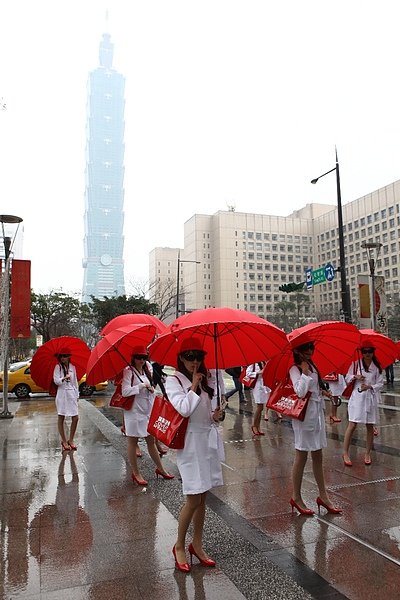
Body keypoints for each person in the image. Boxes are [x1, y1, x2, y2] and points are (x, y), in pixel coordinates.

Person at [165, 337, 224, 573]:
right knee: (192, 498)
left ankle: (197, 545)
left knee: (203, 498)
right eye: (189, 357)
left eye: (198, 356)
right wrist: (193, 387)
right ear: (180, 358)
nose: (195, 361)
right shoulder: (174, 380)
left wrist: (217, 414)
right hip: (189, 444)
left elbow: (208, 415)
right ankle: (179, 545)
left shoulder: (207, 378)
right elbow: (184, 409)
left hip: (206, 443)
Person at [289, 341, 342, 515]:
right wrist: (304, 373)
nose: (310, 351)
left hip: (316, 416)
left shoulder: (313, 366)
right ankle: (296, 497)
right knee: (302, 455)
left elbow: (314, 389)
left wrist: (323, 392)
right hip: (304, 418)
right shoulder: (295, 369)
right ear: (298, 351)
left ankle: (323, 496)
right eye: (306, 348)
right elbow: (300, 392)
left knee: (318, 455)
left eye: (312, 348)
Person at [121, 346, 174, 485]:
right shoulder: (128, 371)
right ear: (133, 358)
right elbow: (125, 391)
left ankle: (161, 469)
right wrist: (140, 387)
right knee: (133, 442)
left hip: (146, 411)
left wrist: (151, 389)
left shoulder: (146, 369)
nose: (141, 360)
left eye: (144, 357)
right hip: (133, 412)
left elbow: (149, 387)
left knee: (151, 441)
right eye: (139, 357)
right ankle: (136, 473)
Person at [342, 346, 384, 467]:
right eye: (364, 351)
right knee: (352, 424)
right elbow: (347, 377)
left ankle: (367, 453)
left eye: (369, 351)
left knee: (370, 425)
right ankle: (345, 452)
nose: (367, 354)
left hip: (370, 399)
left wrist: (371, 387)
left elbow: (380, 383)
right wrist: (355, 376)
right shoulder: (356, 364)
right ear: (361, 353)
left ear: (373, 352)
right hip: (357, 398)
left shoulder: (376, 367)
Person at [53, 350, 80, 452]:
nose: (62, 358)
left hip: (71, 393)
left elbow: (75, 382)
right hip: (62, 394)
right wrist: (64, 378)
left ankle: (71, 440)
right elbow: (56, 381)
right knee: (61, 416)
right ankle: (64, 441)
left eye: (64, 356)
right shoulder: (58, 367)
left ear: (69, 357)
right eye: (61, 356)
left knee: (76, 417)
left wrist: (77, 395)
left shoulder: (72, 367)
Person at [246, 362, 270, 436]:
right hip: (257, 386)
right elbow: (248, 373)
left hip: (263, 386)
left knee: (261, 407)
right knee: (259, 407)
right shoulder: (253, 363)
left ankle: (258, 426)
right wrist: (258, 373)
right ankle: (254, 425)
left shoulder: (264, 362)